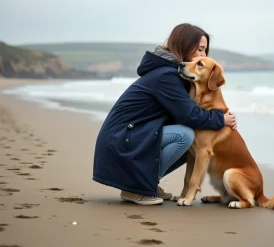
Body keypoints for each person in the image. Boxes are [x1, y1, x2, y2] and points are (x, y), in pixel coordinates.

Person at [92, 23, 238, 205]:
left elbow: (191, 110)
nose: (203, 55)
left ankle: (148, 183)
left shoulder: (174, 73)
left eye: (205, 51)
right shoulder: (166, 76)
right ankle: (136, 188)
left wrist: (222, 114)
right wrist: (220, 119)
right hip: (121, 140)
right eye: (200, 49)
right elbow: (189, 115)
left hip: (131, 136)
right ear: (185, 45)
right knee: (184, 135)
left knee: (193, 139)